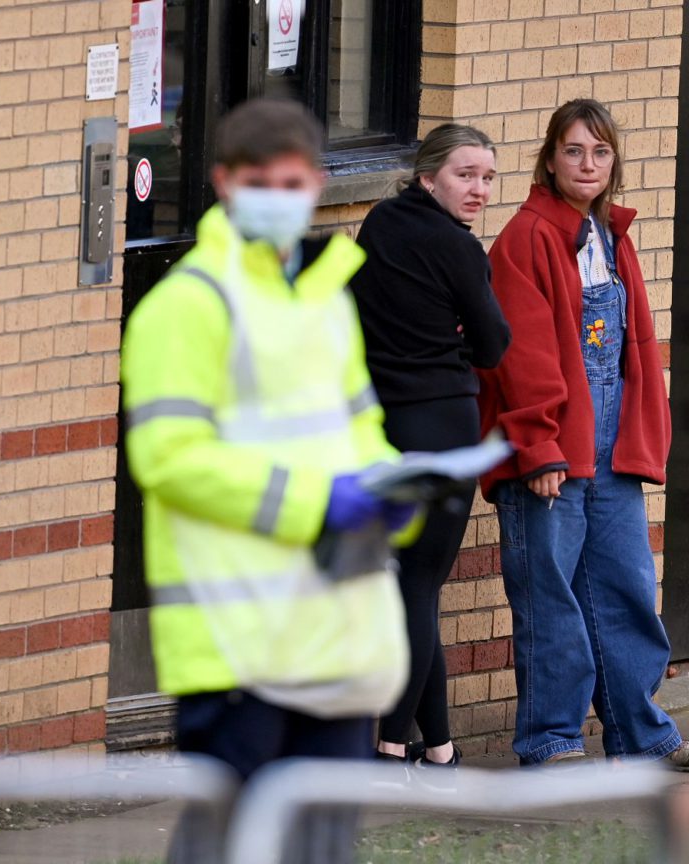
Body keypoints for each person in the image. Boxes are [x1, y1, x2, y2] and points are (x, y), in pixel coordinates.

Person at [119, 98, 413, 862]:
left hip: (330, 626)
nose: (277, 199)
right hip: (236, 632)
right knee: (233, 843)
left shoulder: (323, 302)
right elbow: (169, 456)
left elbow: (359, 430)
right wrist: (321, 504)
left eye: (292, 184)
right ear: (223, 182)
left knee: (321, 842)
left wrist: (393, 492)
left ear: (317, 183)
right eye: (260, 183)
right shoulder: (187, 305)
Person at [477, 99, 689, 771]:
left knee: (625, 588)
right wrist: (538, 447)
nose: (588, 164)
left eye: (601, 152)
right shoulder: (526, 238)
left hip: (610, 453)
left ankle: (640, 736)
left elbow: (633, 349)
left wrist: (642, 438)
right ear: (550, 159)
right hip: (552, 450)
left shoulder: (612, 237)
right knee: (551, 597)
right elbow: (520, 354)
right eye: (574, 150)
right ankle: (551, 743)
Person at [349, 123, 510, 773]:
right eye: (465, 175)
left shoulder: (381, 223)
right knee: (418, 587)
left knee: (413, 586)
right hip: (443, 428)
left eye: (488, 177)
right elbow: (496, 345)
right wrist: (459, 340)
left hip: (383, 428)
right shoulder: (459, 249)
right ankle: (392, 745)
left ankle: (437, 744)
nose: (478, 189)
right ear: (429, 177)